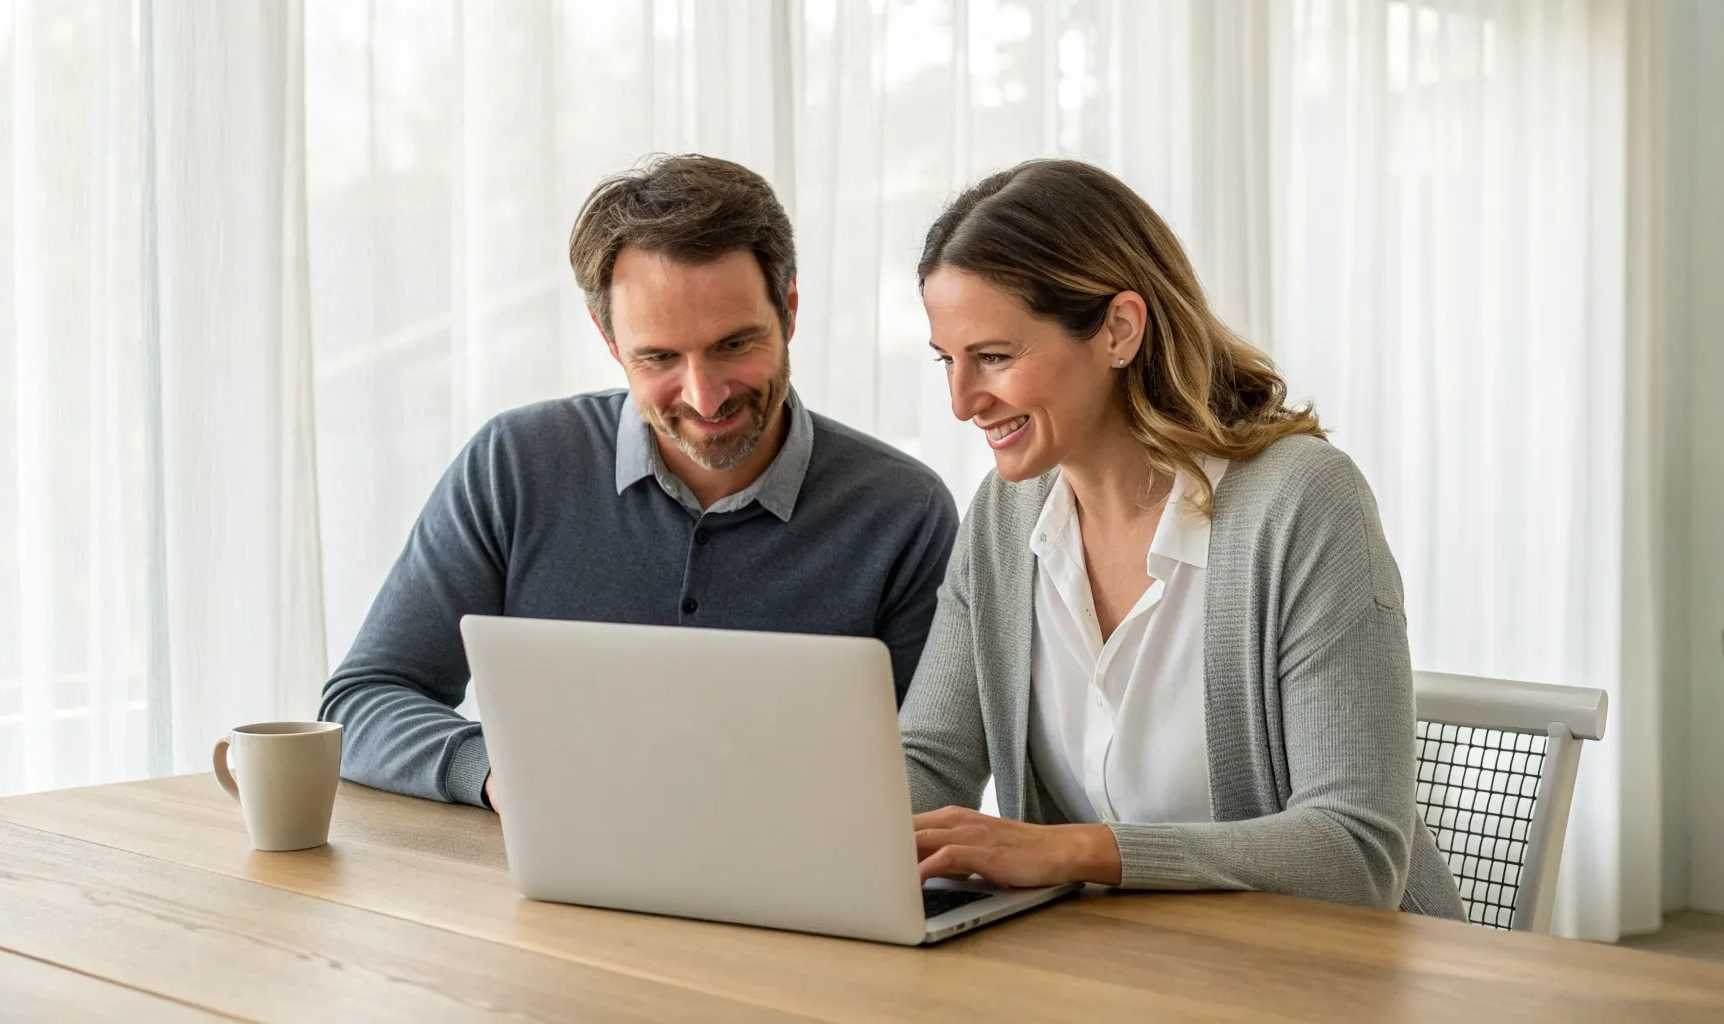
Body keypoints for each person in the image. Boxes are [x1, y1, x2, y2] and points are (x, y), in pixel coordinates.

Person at [900, 159, 1464, 918]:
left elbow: (1354, 851)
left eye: (995, 357)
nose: (963, 401)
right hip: (1117, 973)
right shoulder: (1004, 522)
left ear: (1119, 330)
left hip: (1332, 977)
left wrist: (1080, 850)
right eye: (948, 361)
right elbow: (932, 760)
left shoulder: (1302, 504)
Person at [321, 154, 960, 811]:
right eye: (658, 357)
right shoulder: (514, 466)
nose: (705, 397)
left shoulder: (903, 512)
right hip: (545, 897)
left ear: (789, 309)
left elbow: (929, 779)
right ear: (607, 337)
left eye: (735, 345)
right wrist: (493, 772)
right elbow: (363, 701)